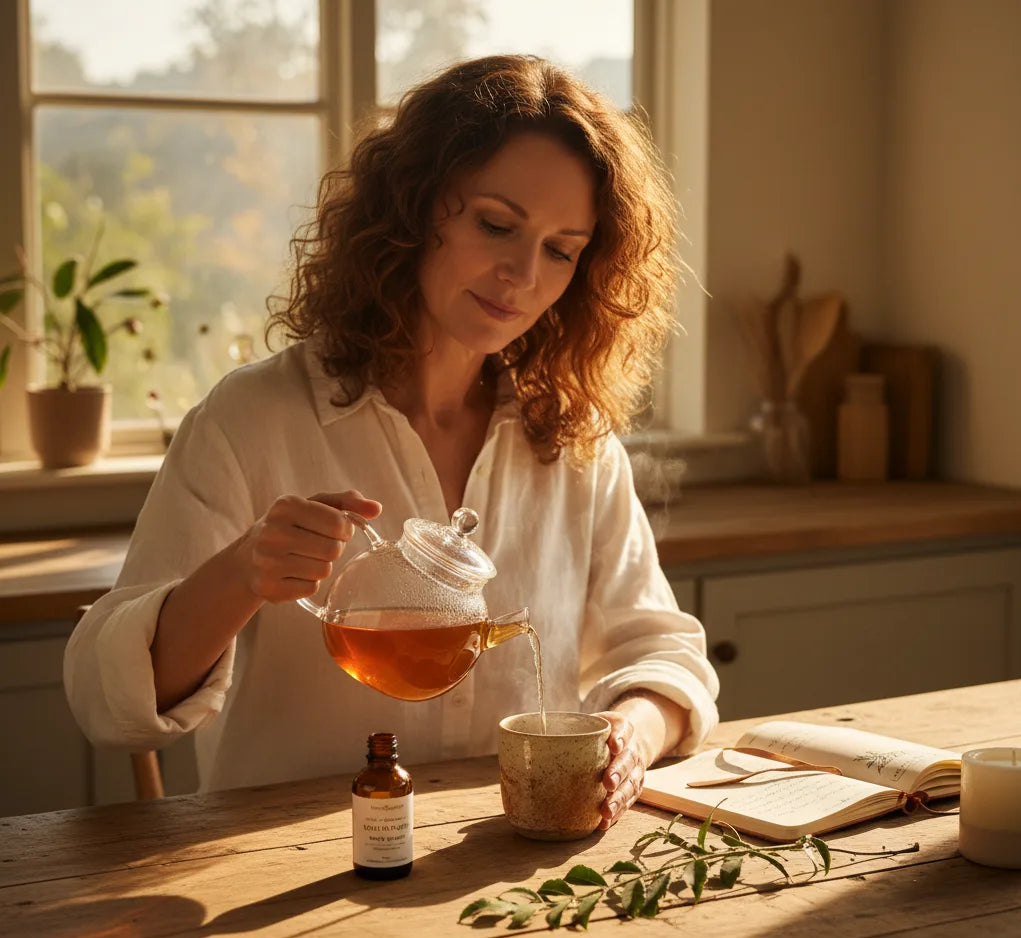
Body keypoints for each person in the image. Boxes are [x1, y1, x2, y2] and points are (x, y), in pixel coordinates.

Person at [65, 54, 720, 831]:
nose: (521, 274)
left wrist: (633, 734)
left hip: (499, 863)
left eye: (561, 248)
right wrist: (244, 571)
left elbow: (664, 653)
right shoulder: (254, 418)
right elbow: (107, 705)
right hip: (280, 875)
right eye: (495, 224)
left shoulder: (571, 438)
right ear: (411, 209)